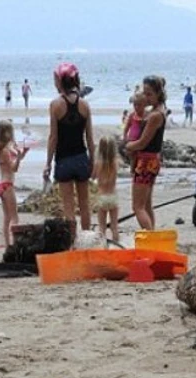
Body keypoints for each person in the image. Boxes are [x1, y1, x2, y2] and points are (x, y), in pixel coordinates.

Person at [45, 61, 95, 237]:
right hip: (81, 157)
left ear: (60, 81)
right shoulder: (84, 105)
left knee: (68, 206)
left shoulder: (55, 105)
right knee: (85, 204)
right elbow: (89, 138)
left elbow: (53, 137)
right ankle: (88, 238)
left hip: (64, 159)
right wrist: (93, 162)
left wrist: (48, 163)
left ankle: (72, 240)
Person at [125, 75, 167, 230]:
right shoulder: (157, 111)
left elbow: (143, 142)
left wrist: (129, 146)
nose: (146, 97)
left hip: (145, 162)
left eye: (149, 94)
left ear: (158, 93)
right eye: (145, 93)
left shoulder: (155, 115)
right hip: (152, 161)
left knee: (137, 207)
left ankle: (150, 237)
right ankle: (152, 235)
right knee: (147, 204)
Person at [0, 119, 27, 246]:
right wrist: (18, 158)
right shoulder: (6, 151)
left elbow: (16, 158)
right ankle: (15, 243)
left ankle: (7, 244)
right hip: (7, 185)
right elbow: (14, 168)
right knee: (14, 218)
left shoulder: (2, 149)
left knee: (7, 217)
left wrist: (22, 154)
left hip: (1, 185)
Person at [93, 136, 119, 242]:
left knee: (102, 226)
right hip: (113, 196)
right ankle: (116, 239)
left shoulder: (98, 164)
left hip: (102, 196)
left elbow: (93, 176)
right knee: (114, 225)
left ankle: (103, 242)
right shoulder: (115, 163)